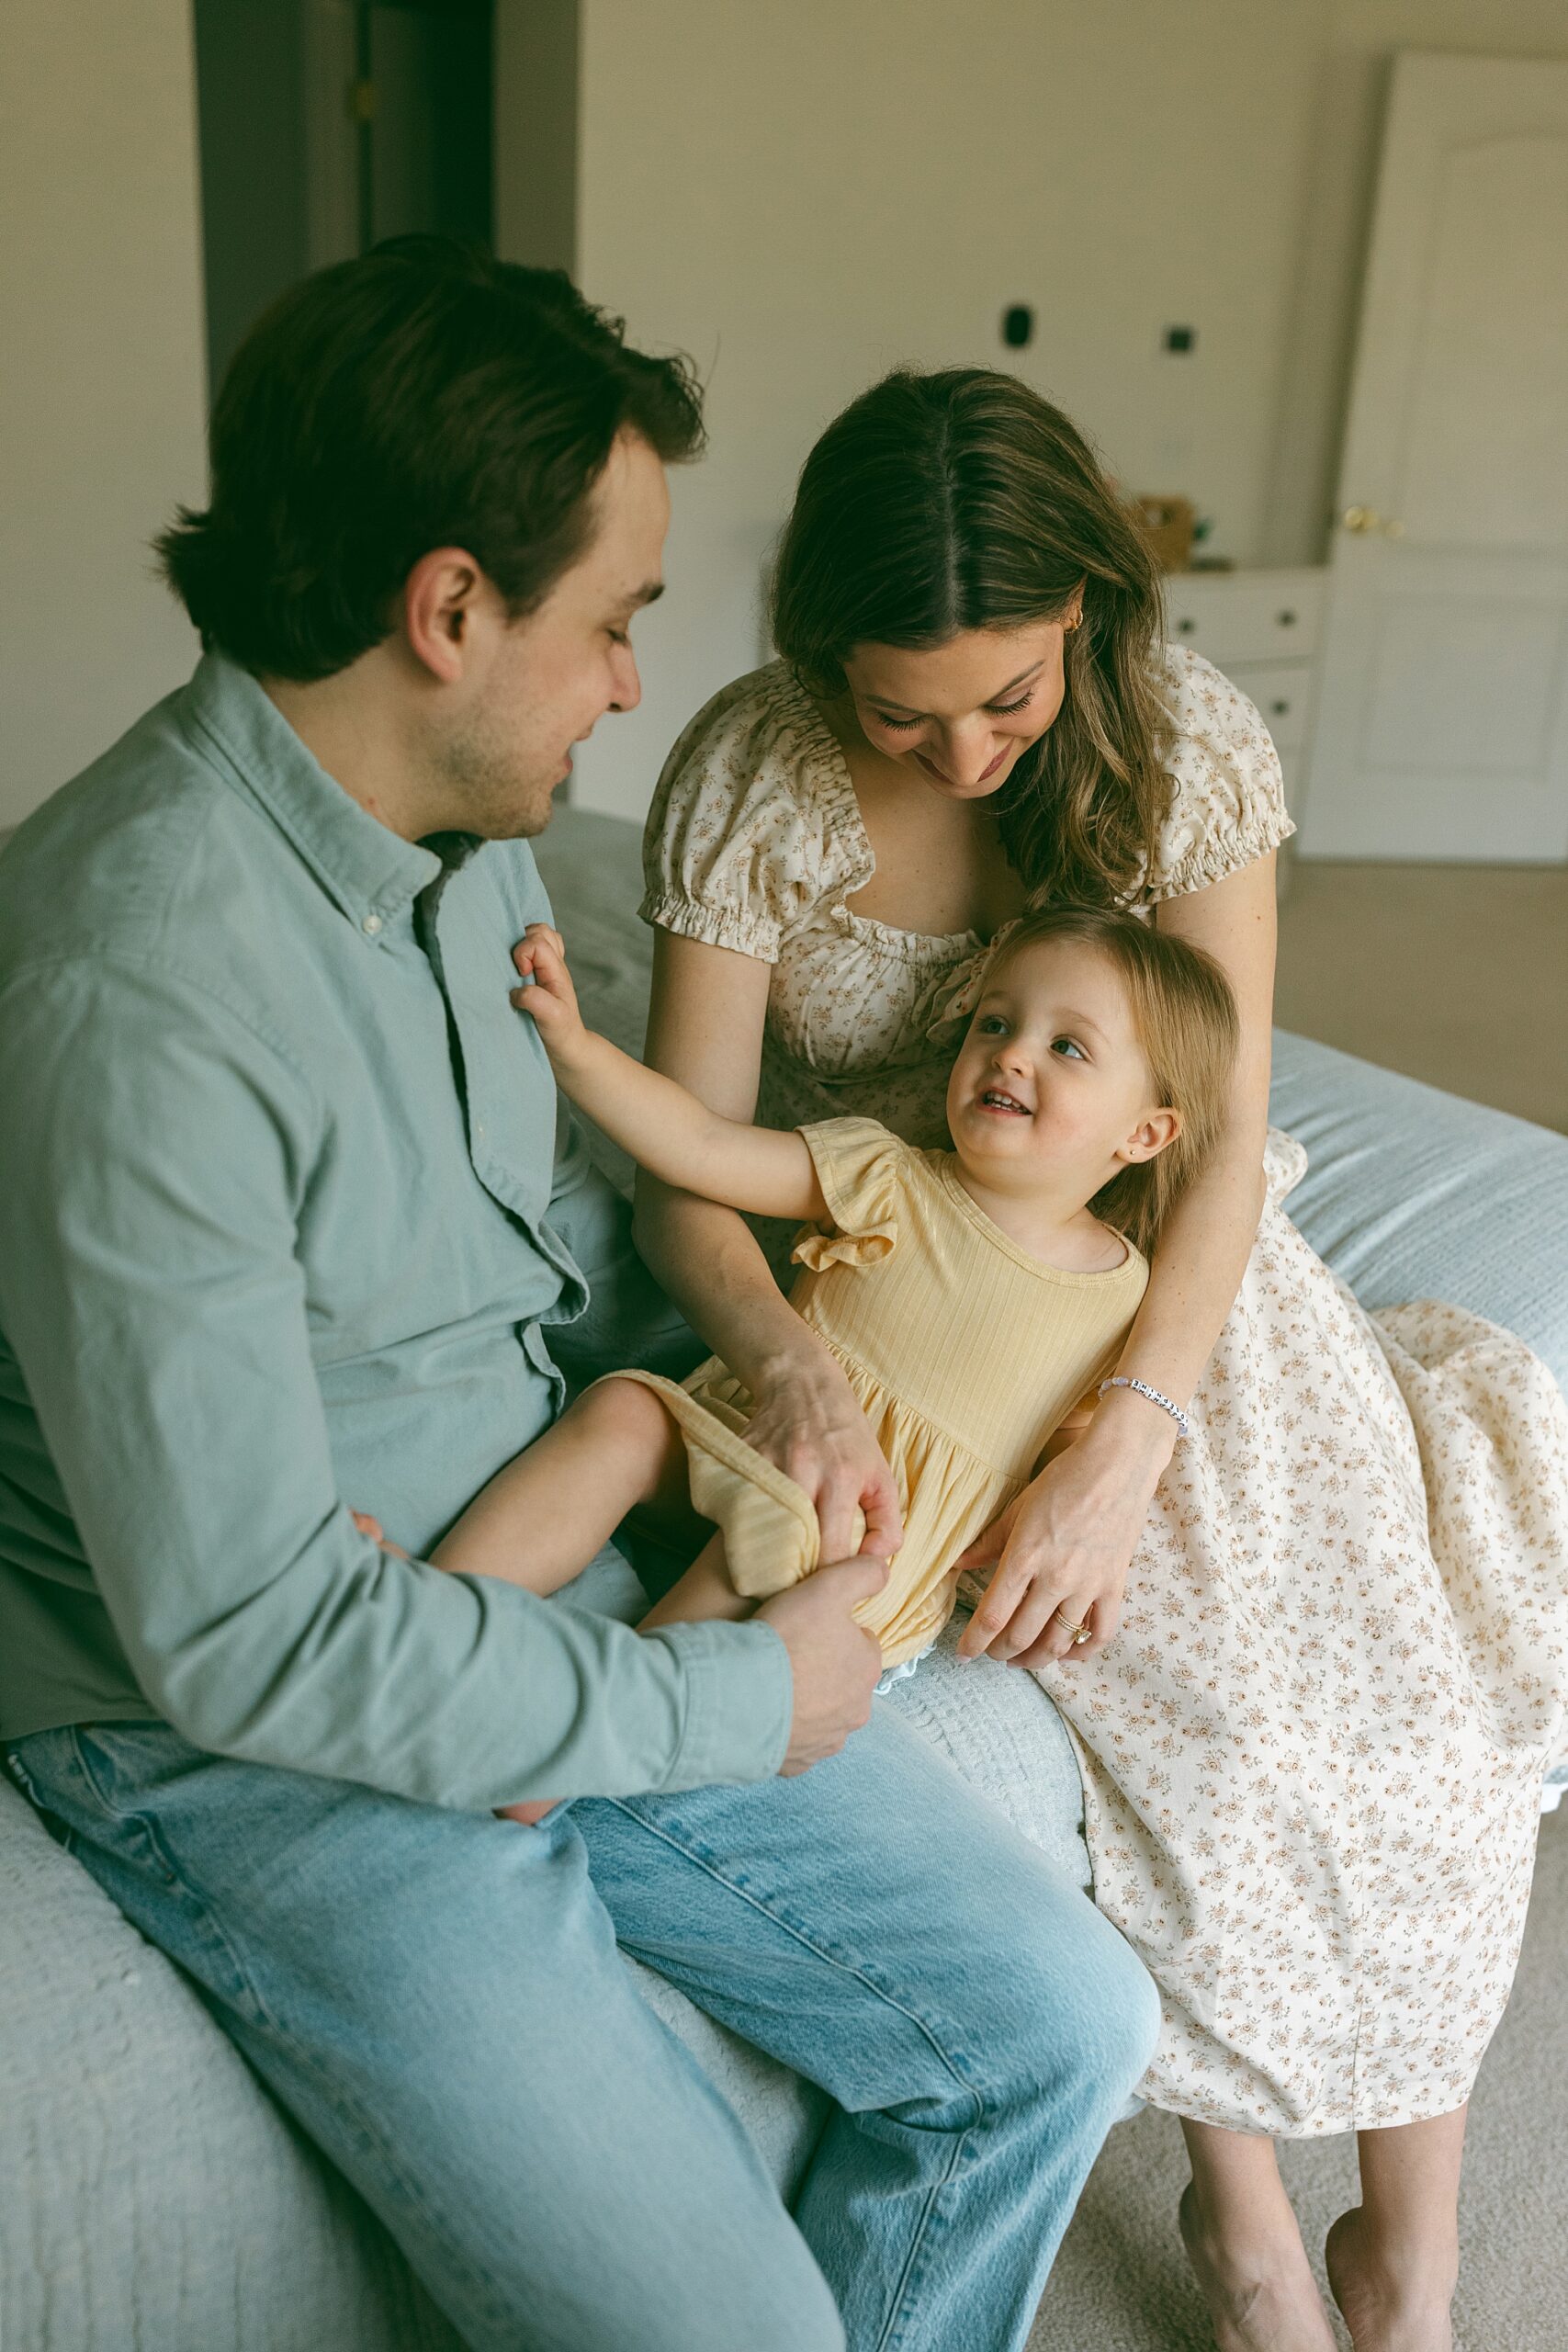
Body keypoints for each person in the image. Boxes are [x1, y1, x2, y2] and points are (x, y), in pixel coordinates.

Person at [0, 249, 1161, 2352]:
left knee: (1059, 2020)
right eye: (615, 619)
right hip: (263, 1728)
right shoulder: (135, 981)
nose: (632, 684)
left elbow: (547, 1245)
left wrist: (782, 1367)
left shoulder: (460, 839)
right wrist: (736, 1698)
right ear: (450, 608)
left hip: (522, 1542)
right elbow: (253, 1639)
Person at [631, 365, 1568, 2352]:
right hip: (922, 1285)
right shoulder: (754, 772)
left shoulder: (1180, 735)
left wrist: (1138, 1423)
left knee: (1412, 1696)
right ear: (818, 648)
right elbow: (686, 1173)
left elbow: (1218, 1137)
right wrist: (783, 1360)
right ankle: (1247, 2226)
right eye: (902, 710)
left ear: (1084, 610)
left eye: (1007, 695)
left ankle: (1411, 2258)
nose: (965, 753)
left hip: (1178, 1283)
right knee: (1210, 1739)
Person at [404, 904, 1235, 1722]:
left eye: (1066, 1047)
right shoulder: (886, 1174)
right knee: (623, 1408)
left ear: (1144, 1134)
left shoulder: (1121, 1298)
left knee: (785, 1527)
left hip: (857, 1544)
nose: (1010, 1054)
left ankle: (592, 1735)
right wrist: (573, 1047)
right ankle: (421, 1623)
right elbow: (698, 1145)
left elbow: (1069, 1460)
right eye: (993, 1024)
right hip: (744, 1441)